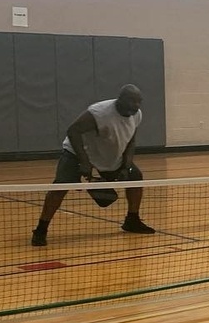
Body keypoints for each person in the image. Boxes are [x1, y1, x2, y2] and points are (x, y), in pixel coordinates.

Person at [31, 84, 155, 246]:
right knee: (60, 187)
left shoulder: (136, 114)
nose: (136, 105)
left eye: (139, 102)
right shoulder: (99, 113)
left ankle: (132, 220)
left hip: (109, 155)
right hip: (77, 153)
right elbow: (73, 131)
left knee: (135, 177)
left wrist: (126, 165)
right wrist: (84, 162)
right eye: (132, 101)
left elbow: (131, 140)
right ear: (121, 99)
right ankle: (41, 229)